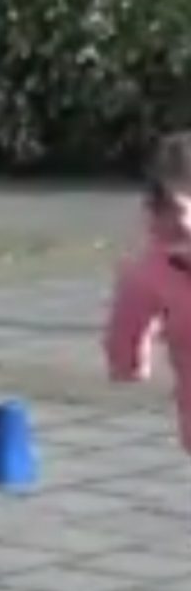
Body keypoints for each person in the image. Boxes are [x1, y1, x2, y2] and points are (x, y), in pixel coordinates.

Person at [104, 134, 191, 453]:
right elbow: (128, 321)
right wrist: (128, 362)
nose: (183, 218)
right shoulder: (150, 270)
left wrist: (127, 363)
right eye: (174, 205)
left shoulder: (150, 270)